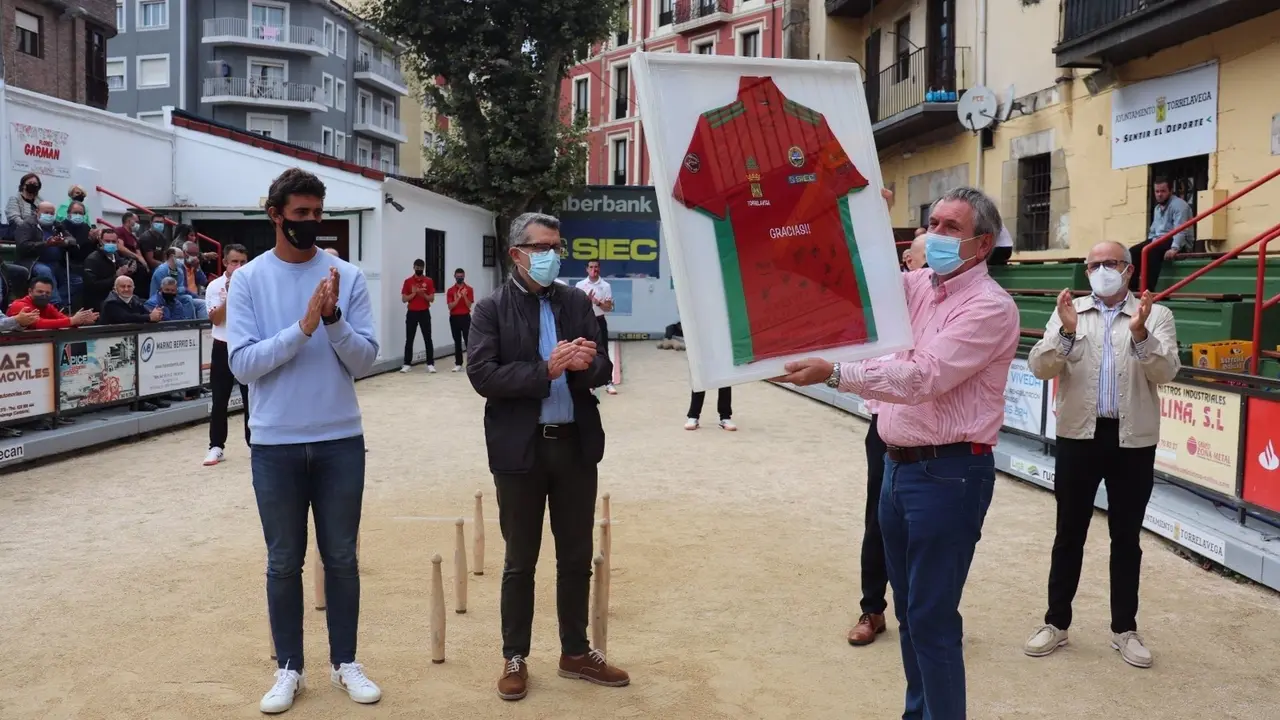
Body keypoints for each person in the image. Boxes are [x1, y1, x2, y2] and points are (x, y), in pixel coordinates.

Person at [776, 186, 1019, 720]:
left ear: (982, 245)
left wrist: (836, 373)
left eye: (950, 227)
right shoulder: (914, 287)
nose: (933, 235)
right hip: (896, 465)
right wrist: (859, 214)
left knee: (931, 618)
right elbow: (841, 276)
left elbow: (924, 376)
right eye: (931, 223)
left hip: (950, 473)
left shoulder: (990, 307)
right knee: (910, 612)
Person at [228, 167, 381, 713]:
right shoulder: (247, 281)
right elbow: (243, 365)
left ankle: (346, 663)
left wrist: (334, 318)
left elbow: (365, 360)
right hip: (274, 443)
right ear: (275, 215)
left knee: (341, 557)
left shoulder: (347, 274)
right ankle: (289, 668)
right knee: (282, 560)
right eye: (300, 215)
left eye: (318, 214)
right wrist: (304, 327)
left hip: (340, 437)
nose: (312, 223)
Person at [466, 212, 626, 701]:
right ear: (517, 253)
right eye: (542, 247)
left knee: (576, 555)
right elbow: (483, 376)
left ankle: (576, 651)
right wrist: (544, 369)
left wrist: (585, 365)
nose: (551, 255)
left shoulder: (576, 300)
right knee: (520, 559)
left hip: (575, 445)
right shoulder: (491, 308)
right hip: (521, 449)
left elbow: (601, 363)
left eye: (557, 246)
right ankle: (514, 655)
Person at [1024, 240, 1180, 670]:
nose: (1100, 271)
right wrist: (1068, 331)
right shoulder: (1069, 310)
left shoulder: (1155, 314)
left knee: (1126, 538)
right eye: (1092, 265)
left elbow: (1166, 372)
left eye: (1109, 263)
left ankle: (1124, 629)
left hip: (1132, 440)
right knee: (1068, 533)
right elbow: (1040, 367)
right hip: (1079, 436)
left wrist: (1141, 333)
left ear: (1128, 270)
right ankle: (1056, 623)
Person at [203, 244, 251, 466]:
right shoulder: (215, 286)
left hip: (246, 344)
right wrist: (230, 294)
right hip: (222, 345)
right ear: (225, 263)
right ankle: (216, 446)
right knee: (219, 399)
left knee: (252, 397)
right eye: (234, 262)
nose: (239, 266)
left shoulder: (254, 282)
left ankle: (255, 443)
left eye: (242, 261)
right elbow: (216, 319)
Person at [1129, 177, 1192, 293]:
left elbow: (1181, 229)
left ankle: (1148, 291)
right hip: (1159, 240)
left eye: (1163, 191)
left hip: (1176, 240)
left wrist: (1174, 248)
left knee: (1152, 251)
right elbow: (1153, 231)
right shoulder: (1157, 208)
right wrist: (1148, 242)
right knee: (1133, 251)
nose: (1159, 194)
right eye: (1157, 191)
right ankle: (1132, 289)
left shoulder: (1179, 205)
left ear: (1170, 191)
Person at [15, 201, 77, 308]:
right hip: (35, 262)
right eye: (46, 212)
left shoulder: (57, 225)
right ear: (37, 212)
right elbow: (23, 246)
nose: (49, 216)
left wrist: (64, 241)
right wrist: (46, 244)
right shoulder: (27, 225)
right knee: (45, 271)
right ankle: (55, 305)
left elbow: (72, 239)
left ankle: (60, 302)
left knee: (76, 281)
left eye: (52, 213)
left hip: (57, 263)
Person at [575, 260, 617, 395]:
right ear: (587, 269)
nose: (594, 269)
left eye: (596, 267)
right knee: (586, 351)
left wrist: (597, 302)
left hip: (599, 321)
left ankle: (608, 381)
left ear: (600, 269)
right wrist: (586, 301)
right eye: (591, 267)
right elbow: (576, 307)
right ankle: (590, 383)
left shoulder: (605, 286)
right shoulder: (580, 285)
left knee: (603, 350)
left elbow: (609, 307)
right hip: (585, 322)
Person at [7, 277, 98, 330]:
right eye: (40, 292)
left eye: (47, 293)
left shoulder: (48, 306)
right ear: (30, 291)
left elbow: (64, 319)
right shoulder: (19, 305)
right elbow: (39, 324)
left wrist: (81, 321)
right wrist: (72, 320)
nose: (44, 295)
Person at [82, 228, 136, 312]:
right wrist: (115, 277)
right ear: (100, 241)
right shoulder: (92, 260)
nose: (110, 244)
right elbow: (92, 286)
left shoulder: (115, 255)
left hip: (116, 300)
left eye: (113, 242)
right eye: (107, 241)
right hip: (99, 304)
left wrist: (130, 269)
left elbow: (123, 262)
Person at [400, 259, 436, 373]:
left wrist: (423, 294)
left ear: (423, 268)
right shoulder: (408, 281)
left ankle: (430, 364)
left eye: (421, 268)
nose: (419, 269)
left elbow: (432, 299)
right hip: (412, 313)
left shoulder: (428, 281)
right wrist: (414, 293)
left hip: (424, 312)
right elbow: (404, 299)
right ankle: (407, 364)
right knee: (409, 339)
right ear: (414, 267)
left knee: (427, 338)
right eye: (417, 267)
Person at [150, 247, 205, 318]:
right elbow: (165, 290)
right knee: (187, 299)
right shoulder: (161, 270)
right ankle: (187, 324)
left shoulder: (179, 269)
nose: (182, 260)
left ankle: (202, 325)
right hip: (161, 298)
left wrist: (196, 296)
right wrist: (182, 290)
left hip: (175, 297)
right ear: (171, 257)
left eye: (182, 257)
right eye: (179, 257)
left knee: (202, 304)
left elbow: (182, 289)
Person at [445, 267, 474, 372]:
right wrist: (458, 297)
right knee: (457, 341)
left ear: (464, 276)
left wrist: (464, 296)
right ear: (454, 277)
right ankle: (458, 363)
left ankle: (471, 363)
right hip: (454, 318)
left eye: (461, 277)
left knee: (468, 341)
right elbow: (450, 306)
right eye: (458, 277)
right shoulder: (450, 290)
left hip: (465, 317)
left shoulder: (469, 289)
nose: (460, 278)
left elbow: (469, 305)